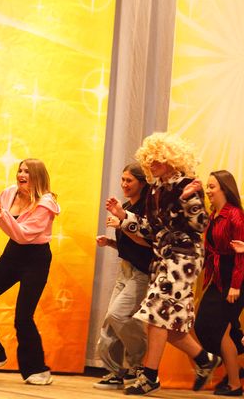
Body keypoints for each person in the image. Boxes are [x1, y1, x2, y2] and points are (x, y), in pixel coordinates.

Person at [105, 133, 219, 395]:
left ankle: (150, 376)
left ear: (170, 159)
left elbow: (200, 224)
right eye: (148, 159)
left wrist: (189, 199)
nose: (151, 163)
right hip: (163, 259)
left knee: (156, 315)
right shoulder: (156, 189)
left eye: (157, 158)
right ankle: (205, 359)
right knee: (171, 325)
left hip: (183, 258)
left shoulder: (186, 184)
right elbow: (151, 230)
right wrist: (124, 217)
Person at [0, 158, 60, 385]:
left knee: (23, 317)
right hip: (13, 255)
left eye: (27, 172)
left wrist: (2, 215)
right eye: (20, 170)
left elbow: (22, 234)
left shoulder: (45, 204)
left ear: (38, 176)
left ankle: (37, 370)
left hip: (36, 259)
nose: (21, 175)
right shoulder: (10, 193)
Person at [93, 163, 152, 390]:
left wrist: (123, 223)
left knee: (118, 315)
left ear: (142, 183)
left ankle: (138, 364)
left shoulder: (147, 208)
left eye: (129, 180)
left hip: (142, 272)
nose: (124, 184)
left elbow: (148, 243)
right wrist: (109, 242)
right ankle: (115, 371)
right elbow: (129, 245)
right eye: (122, 179)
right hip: (126, 269)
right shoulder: (126, 207)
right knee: (110, 321)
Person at [194, 170, 244, 396]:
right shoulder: (214, 215)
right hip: (219, 277)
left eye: (212, 186)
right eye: (207, 186)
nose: (208, 190)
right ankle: (236, 366)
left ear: (225, 188)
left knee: (221, 331)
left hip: (235, 277)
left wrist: (235, 285)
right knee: (203, 325)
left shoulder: (236, 215)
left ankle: (234, 385)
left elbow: (241, 255)